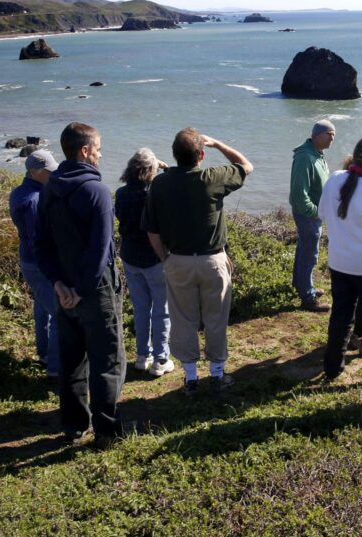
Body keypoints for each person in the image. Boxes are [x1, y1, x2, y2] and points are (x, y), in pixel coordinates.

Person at [36, 122, 126, 448]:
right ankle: (107, 431)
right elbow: (100, 250)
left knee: (72, 360)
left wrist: (59, 285)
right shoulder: (98, 192)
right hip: (95, 290)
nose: (101, 155)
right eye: (98, 149)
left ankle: (74, 426)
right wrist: (81, 289)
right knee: (108, 361)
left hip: (63, 292)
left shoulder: (49, 188)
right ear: (85, 151)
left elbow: (40, 244)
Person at [145, 128, 252, 395]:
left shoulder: (160, 183)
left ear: (174, 155)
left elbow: (152, 230)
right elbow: (245, 166)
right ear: (201, 154)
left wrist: (165, 259)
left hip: (178, 261)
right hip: (212, 261)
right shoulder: (212, 178)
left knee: (183, 320)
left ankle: (191, 378)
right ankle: (217, 374)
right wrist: (217, 143)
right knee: (216, 318)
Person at [319, 134, 362, 380]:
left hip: (338, 262)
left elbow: (322, 213)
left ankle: (332, 367)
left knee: (340, 315)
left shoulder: (334, 180)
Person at [115, 148, 175, 377]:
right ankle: (161, 359)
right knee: (162, 310)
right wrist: (165, 166)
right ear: (151, 170)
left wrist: (153, 164)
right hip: (155, 258)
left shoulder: (121, 194)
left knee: (141, 308)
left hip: (130, 256)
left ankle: (142, 356)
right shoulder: (154, 194)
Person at [8, 149, 60, 379]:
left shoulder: (19, 193)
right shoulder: (34, 200)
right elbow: (38, 238)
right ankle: (56, 368)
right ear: (34, 172)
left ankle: (45, 354)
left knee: (42, 308)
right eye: (48, 171)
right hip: (39, 263)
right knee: (59, 313)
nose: (53, 175)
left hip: (28, 260)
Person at [289, 119, 335, 312]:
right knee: (310, 254)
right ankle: (307, 297)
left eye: (334, 135)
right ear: (316, 135)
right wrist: (315, 212)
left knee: (305, 250)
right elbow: (299, 192)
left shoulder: (317, 153)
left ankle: (301, 285)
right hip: (308, 214)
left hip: (314, 213)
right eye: (329, 134)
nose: (332, 138)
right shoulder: (305, 157)